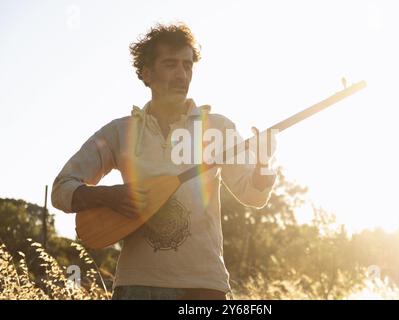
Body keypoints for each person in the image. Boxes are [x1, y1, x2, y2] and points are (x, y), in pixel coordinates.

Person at [51, 23, 277, 300]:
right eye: (171, 64)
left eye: (187, 65)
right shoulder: (119, 132)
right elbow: (62, 189)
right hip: (136, 285)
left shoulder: (217, 128)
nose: (182, 74)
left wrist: (264, 166)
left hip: (203, 285)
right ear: (146, 73)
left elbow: (253, 195)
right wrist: (108, 196)